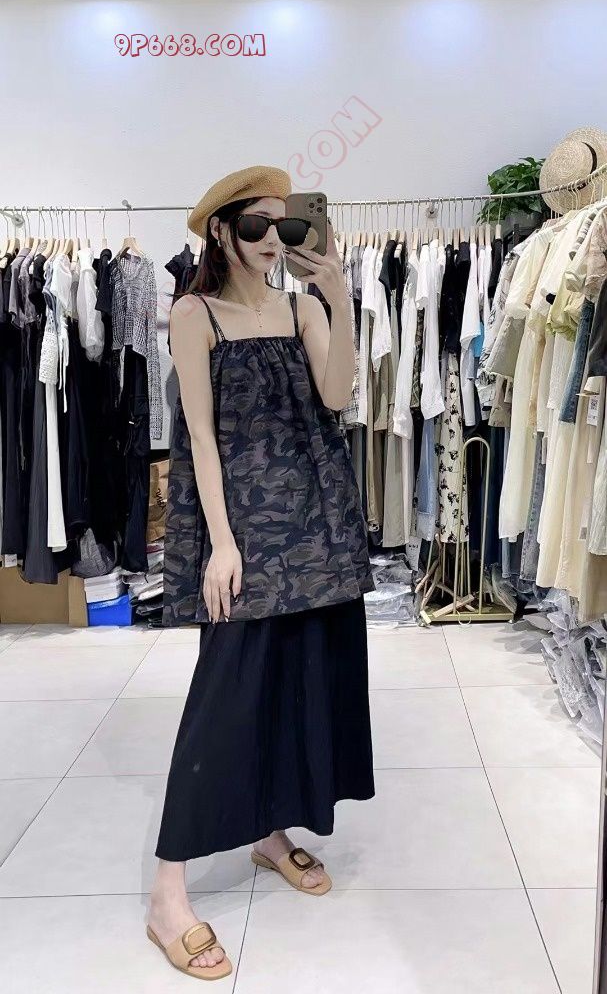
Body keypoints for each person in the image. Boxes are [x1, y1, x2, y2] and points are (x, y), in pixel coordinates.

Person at [147, 166, 375, 981]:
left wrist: (337, 294)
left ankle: (269, 832)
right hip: (243, 533)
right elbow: (199, 438)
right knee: (225, 699)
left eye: (285, 225)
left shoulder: (301, 307)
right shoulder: (194, 313)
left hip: (316, 523)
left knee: (299, 681)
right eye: (255, 226)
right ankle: (167, 894)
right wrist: (220, 542)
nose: (272, 241)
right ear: (220, 232)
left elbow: (337, 397)